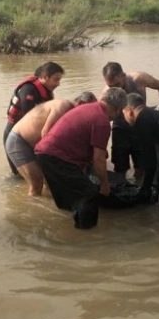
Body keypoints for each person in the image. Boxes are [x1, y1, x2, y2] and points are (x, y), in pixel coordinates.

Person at [34, 87, 127, 229]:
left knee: (71, 198)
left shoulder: (87, 107)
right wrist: (105, 185)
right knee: (89, 194)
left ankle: (65, 231)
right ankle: (86, 237)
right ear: (118, 109)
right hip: (56, 157)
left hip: (44, 154)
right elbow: (99, 160)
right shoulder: (102, 121)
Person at [5, 91, 98, 196]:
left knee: (49, 183)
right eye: (89, 110)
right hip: (19, 142)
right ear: (81, 104)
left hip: (33, 144)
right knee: (37, 183)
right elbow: (45, 133)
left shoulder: (71, 113)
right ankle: (33, 211)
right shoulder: (63, 106)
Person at [101, 62, 159, 183]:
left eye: (117, 84)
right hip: (120, 128)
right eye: (111, 86)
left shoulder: (140, 79)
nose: (116, 89)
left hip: (140, 126)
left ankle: (139, 189)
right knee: (120, 167)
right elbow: (101, 119)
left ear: (123, 76)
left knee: (141, 166)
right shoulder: (106, 93)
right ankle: (122, 189)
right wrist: (102, 146)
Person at [3, 61, 64, 175]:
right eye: (56, 79)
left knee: (38, 171)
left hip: (30, 135)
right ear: (45, 77)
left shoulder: (46, 92)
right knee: (19, 175)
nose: (58, 83)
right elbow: (29, 119)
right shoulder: (29, 90)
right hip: (15, 136)